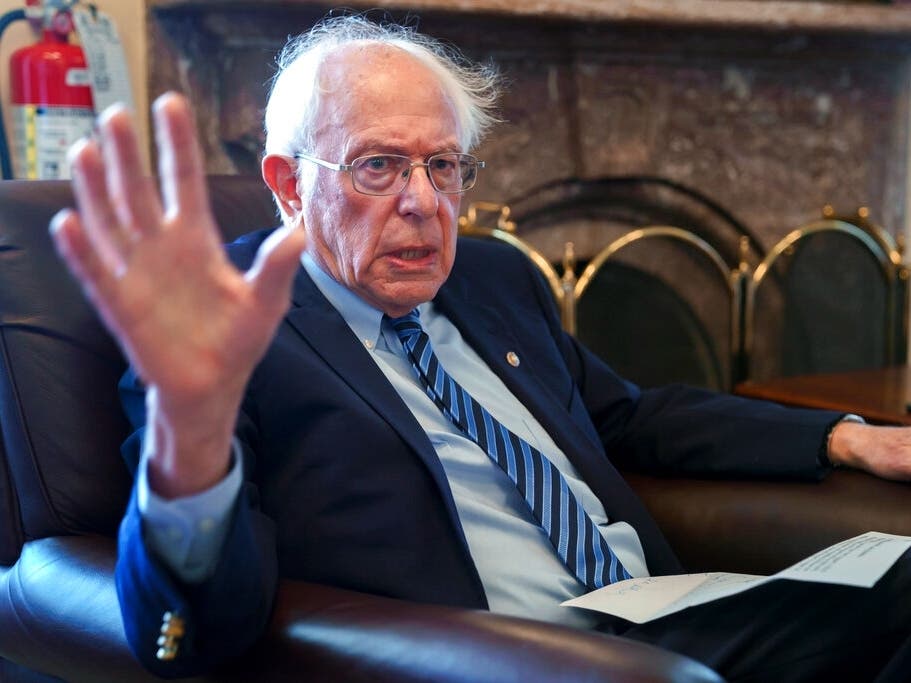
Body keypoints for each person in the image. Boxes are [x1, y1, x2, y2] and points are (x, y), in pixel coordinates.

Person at [51, 15, 910, 682]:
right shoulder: (222, 333)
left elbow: (631, 415)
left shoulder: (494, 280)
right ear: (286, 184)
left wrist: (842, 435)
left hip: (658, 612)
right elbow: (193, 626)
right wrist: (192, 435)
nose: (424, 202)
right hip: (500, 652)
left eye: (444, 166)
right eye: (379, 166)